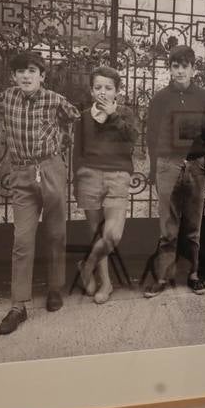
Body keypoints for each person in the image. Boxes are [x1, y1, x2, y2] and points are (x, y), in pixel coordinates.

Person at [0, 51, 80, 335]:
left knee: (56, 233)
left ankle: (55, 288)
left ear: (42, 76)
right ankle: (17, 306)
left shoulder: (54, 99)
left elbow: (76, 117)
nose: (26, 76)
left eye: (32, 71)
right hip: (22, 174)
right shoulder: (8, 97)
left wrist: (65, 138)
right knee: (22, 239)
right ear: (14, 76)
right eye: (21, 71)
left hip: (51, 170)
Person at [144, 45, 205, 297]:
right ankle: (163, 278)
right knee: (168, 226)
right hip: (168, 164)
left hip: (197, 165)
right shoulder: (159, 99)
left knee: (192, 226)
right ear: (170, 69)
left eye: (184, 66)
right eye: (175, 66)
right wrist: (154, 169)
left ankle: (193, 274)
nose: (179, 71)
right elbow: (151, 138)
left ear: (193, 69)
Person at [72, 66, 139, 305]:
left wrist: (113, 115)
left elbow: (133, 138)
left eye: (108, 88)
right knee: (96, 233)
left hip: (117, 177)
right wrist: (76, 182)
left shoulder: (125, 113)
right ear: (91, 90)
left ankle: (86, 266)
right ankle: (106, 282)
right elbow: (76, 153)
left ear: (116, 92)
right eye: (98, 87)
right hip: (88, 177)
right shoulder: (82, 117)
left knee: (111, 235)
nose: (103, 92)